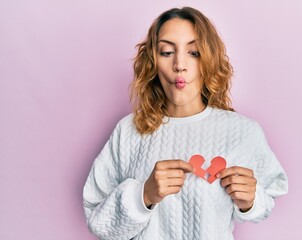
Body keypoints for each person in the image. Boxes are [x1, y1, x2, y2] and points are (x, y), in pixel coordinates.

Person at [83, 6, 288, 240]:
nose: (180, 64)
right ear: (153, 61)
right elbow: (99, 223)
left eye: (194, 52)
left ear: (208, 60)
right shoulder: (128, 131)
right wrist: (144, 195)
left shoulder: (242, 131)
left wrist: (250, 202)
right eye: (167, 52)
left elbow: (267, 199)